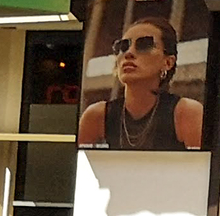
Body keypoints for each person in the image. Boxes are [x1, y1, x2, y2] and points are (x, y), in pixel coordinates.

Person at [77, 18, 204, 151]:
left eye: (144, 45)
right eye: (123, 46)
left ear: (168, 63)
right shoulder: (97, 116)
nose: (129, 53)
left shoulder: (187, 113)